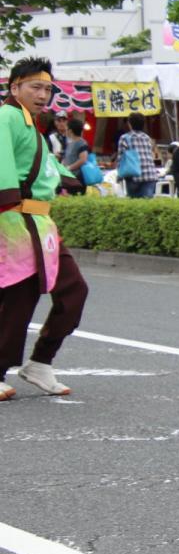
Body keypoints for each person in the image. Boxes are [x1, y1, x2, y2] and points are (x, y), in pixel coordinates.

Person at [0, 57, 89, 401]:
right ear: (15, 87)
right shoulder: (7, 116)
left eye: (48, 88)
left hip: (39, 223)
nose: (43, 94)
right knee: (18, 299)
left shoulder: (30, 124)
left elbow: (43, 166)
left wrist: (69, 178)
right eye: (35, 87)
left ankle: (40, 362)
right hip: (12, 220)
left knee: (73, 290)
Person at [116, 112, 158, 198]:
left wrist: (119, 175)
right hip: (150, 175)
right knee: (147, 205)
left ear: (129, 124)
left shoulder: (124, 138)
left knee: (135, 205)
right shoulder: (147, 138)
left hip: (133, 175)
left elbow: (120, 158)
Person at [62, 118, 91, 187]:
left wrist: (69, 168)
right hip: (68, 177)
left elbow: (83, 159)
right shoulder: (70, 142)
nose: (65, 130)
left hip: (77, 178)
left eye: (67, 128)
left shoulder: (82, 143)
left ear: (70, 131)